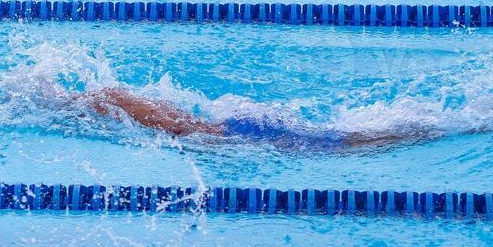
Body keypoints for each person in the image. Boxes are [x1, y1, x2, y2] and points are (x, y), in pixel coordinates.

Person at [65, 78, 453, 152]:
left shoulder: (105, 100)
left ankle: (423, 128)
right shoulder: (110, 97)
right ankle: (422, 127)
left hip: (238, 132)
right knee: (340, 138)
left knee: (341, 141)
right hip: (240, 125)